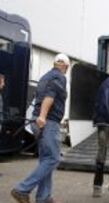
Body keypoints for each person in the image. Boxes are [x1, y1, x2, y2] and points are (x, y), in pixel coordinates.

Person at [11, 53, 70, 203]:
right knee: (53, 159)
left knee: (46, 160)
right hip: (48, 122)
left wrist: (39, 118)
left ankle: (44, 197)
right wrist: (43, 116)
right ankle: (22, 189)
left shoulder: (45, 77)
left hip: (37, 121)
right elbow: (50, 96)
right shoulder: (60, 77)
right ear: (65, 66)